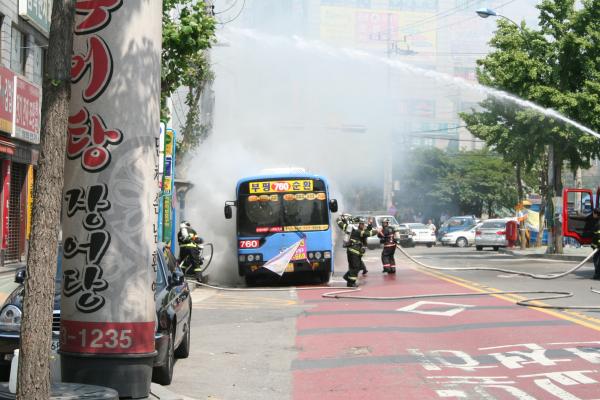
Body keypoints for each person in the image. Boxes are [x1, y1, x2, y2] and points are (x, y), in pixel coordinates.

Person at [338, 215, 376, 287]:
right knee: (355, 267)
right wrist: (377, 231)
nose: (363, 225)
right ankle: (351, 283)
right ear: (357, 224)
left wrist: (370, 224)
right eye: (361, 224)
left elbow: (366, 230)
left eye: (363, 224)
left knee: (356, 267)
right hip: (353, 252)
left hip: (355, 252)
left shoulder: (355, 229)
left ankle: (347, 278)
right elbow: (367, 233)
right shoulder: (356, 231)